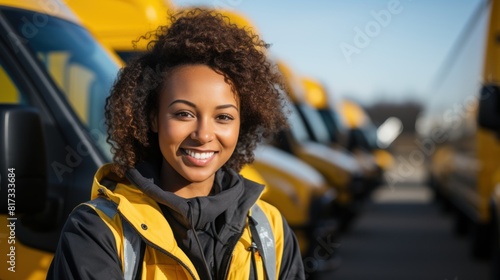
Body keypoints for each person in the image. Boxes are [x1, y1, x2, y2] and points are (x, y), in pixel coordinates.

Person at [47, 8, 305, 280]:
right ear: (153, 119)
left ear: (242, 124)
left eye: (223, 117)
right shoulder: (97, 232)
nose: (204, 134)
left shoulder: (271, 229)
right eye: (184, 113)